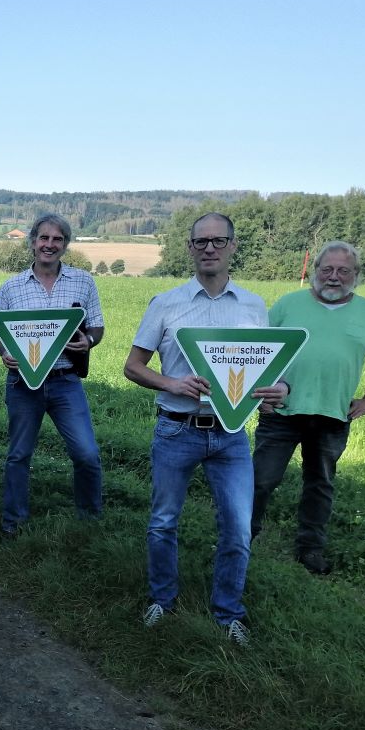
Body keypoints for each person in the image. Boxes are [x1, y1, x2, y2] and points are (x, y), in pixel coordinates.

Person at [123, 213, 289, 646]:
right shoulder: (166, 303)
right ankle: (162, 599)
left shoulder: (254, 306)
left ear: (233, 246)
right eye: (201, 242)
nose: (209, 248)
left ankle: (228, 614)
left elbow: (272, 369)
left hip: (231, 436)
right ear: (190, 248)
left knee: (236, 528)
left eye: (218, 241)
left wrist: (280, 389)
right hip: (176, 430)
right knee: (163, 522)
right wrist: (172, 382)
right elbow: (133, 367)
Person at [251, 241, 365, 575]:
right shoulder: (288, 305)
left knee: (320, 484)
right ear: (315, 271)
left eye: (343, 271)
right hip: (281, 412)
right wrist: (260, 394)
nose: (334, 277)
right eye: (327, 270)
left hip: (333, 415)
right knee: (261, 480)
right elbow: (257, 350)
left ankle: (310, 549)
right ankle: (242, 537)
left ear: (355, 275)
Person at [0, 214, 104, 533]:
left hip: (65, 382)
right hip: (23, 384)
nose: (49, 245)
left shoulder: (83, 282)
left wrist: (89, 340)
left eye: (57, 239)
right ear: (33, 242)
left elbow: (96, 325)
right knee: (18, 455)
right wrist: (4, 353)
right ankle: (13, 522)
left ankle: (90, 520)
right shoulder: (11, 287)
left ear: (65, 245)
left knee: (86, 454)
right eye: (44, 238)